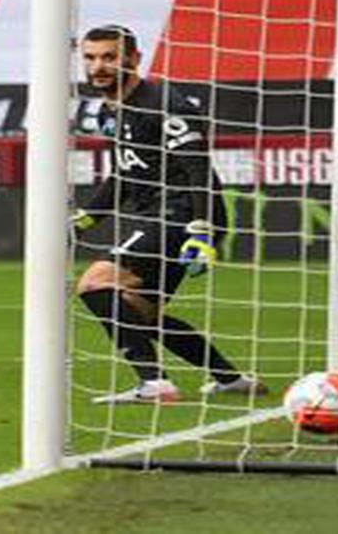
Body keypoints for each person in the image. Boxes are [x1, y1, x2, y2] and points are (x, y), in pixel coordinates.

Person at [72, 25, 266, 404]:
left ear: (134, 58)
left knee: (95, 285)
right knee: (140, 313)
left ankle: (154, 384)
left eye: (110, 57)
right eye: (91, 57)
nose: (99, 66)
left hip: (183, 212)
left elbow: (197, 168)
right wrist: (86, 217)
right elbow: (124, 174)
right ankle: (229, 379)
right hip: (160, 214)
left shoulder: (163, 102)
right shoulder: (108, 111)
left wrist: (202, 229)